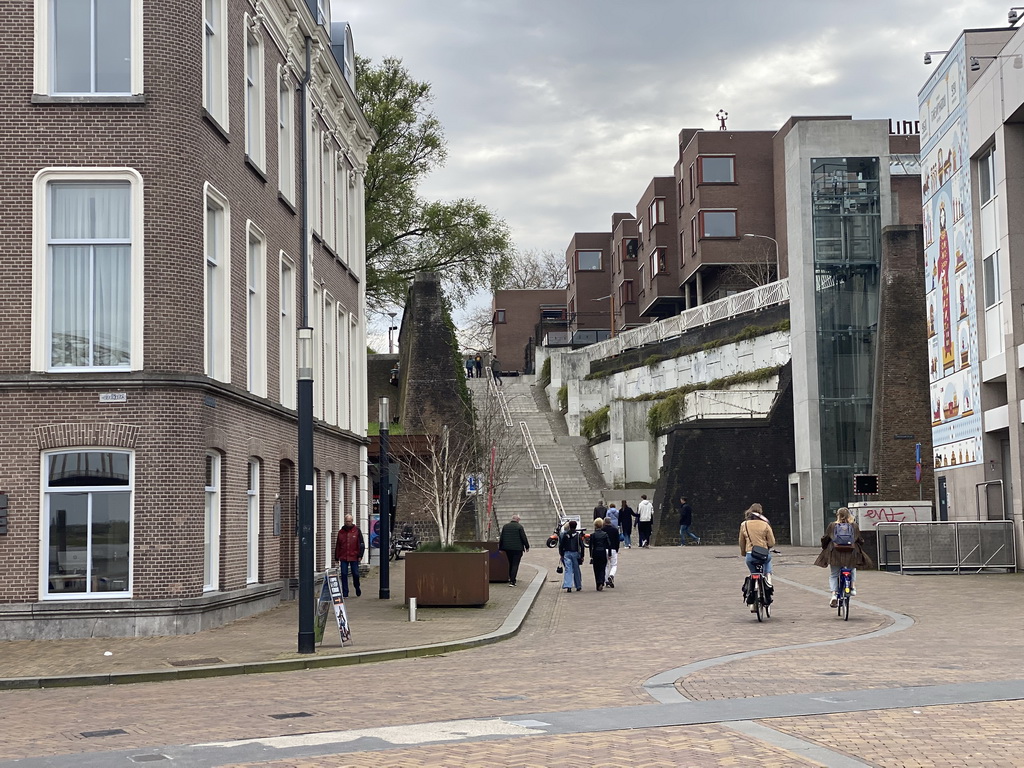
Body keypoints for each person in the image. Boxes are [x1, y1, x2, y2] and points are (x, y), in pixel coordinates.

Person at [814, 507, 874, 607]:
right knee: (852, 568)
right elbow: (859, 539)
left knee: (834, 575)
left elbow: (826, 538)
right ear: (849, 515)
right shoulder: (854, 526)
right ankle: (853, 587)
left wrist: (824, 547)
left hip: (835, 554)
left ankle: (834, 595)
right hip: (851, 553)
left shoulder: (832, 526)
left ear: (837, 515)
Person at [738, 504, 775, 611]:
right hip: (763, 554)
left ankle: (752, 604)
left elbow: (741, 542)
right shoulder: (765, 524)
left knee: (753, 574)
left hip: (750, 555)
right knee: (768, 565)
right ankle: (768, 582)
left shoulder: (744, 525)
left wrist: (743, 552)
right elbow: (772, 542)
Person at [334, 514, 366, 598]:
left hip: (354, 556)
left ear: (352, 521)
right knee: (344, 574)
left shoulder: (357, 531)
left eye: (349, 521)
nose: (348, 523)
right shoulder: (341, 532)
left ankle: (357, 586)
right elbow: (338, 545)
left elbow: (361, 543)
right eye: (346, 521)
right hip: (344, 556)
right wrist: (336, 557)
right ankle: (345, 592)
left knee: (355, 573)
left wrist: (360, 555)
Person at [498, 513, 530, 586]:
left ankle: (510, 578)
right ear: (517, 519)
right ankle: (512, 581)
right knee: (515, 564)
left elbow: (502, 537)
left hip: (507, 548)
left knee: (510, 563)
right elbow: (523, 537)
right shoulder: (519, 527)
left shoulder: (505, 526)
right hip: (517, 549)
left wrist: (500, 548)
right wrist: (527, 546)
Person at [558, 519, 584, 592]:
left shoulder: (566, 535)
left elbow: (561, 545)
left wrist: (561, 554)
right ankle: (578, 585)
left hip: (567, 553)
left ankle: (568, 585)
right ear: (576, 526)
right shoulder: (578, 535)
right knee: (576, 569)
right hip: (575, 553)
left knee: (568, 569)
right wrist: (582, 556)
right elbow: (582, 546)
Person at [588, 517, 612, 591]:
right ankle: (601, 581)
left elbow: (590, 546)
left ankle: (598, 583)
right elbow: (609, 544)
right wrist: (610, 554)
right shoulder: (605, 534)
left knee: (596, 569)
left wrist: (591, 555)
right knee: (602, 568)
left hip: (595, 552)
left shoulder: (593, 535)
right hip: (602, 551)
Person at [603, 516, 620, 588]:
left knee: (606, 565)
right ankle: (611, 575)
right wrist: (617, 549)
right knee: (614, 565)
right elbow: (617, 541)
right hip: (613, 549)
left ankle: (606, 580)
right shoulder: (615, 530)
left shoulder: (602, 530)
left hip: (604, 549)